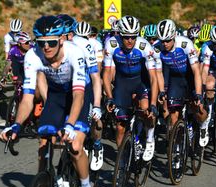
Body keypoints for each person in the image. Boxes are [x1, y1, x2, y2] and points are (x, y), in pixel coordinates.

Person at [0, 15, 94, 187]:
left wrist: (69, 125)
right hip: (57, 97)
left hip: (79, 95)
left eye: (51, 42)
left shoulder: (74, 53)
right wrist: (16, 125)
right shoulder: (32, 56)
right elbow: (27, 99)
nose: (46, 48)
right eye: (41, 43)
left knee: (75, 145)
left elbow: (78, 97)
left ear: (61, 40)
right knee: (44, 143)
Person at [103, 15, 158, 161]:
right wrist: (109, 97)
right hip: (122, 84)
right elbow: (107, 73)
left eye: (133, 37)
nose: (130, 41)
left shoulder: (144, 46)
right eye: (126, 37)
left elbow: (153, 77)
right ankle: (121, 159)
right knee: (120, 126)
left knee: (146, 110)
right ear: (120, 35)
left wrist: (153, 103)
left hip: (140, 82)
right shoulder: (111, 44)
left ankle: (149, 139)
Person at [155, 19, 208, 146]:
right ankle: (177, 150)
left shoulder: (186, 44)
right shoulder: (157, 48)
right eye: (162, 41)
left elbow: (196, 71)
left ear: (173, 36)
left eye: (167, 40)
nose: (165, 44)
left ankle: (203, 125)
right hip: (175, 80)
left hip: (190, 77)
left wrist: (199, 93)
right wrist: (162, 91)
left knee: (197, 108)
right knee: (173, 115)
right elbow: (158, 73)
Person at [73, 21, 103, 171]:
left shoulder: (93, 45)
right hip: (72, 87)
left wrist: (97, 104)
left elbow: (97, 71)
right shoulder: (67, 43)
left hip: (88, 84)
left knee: (94, 118)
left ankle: (97, 145)